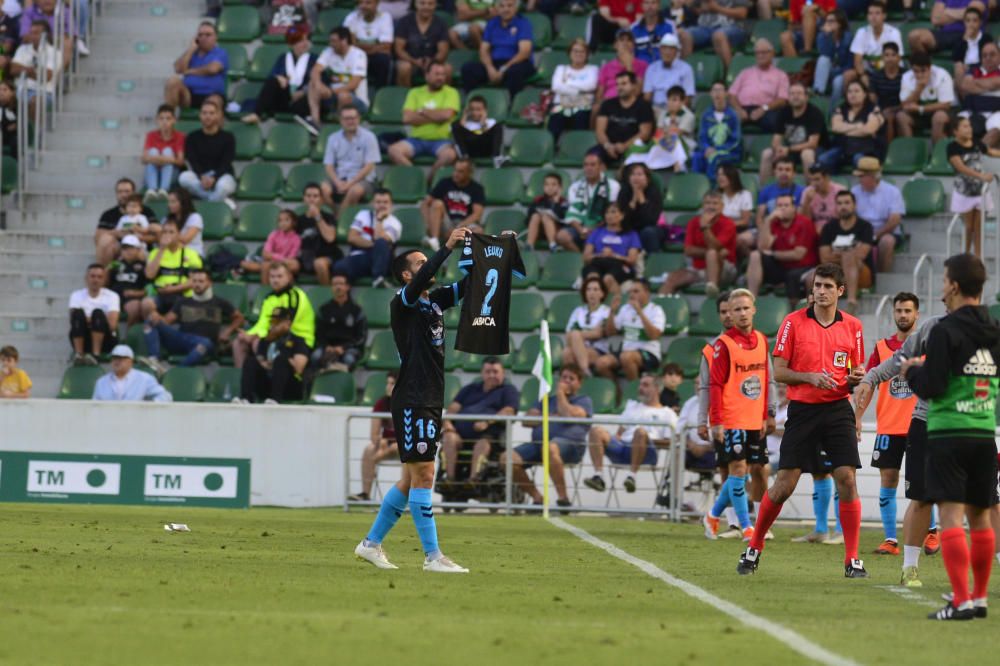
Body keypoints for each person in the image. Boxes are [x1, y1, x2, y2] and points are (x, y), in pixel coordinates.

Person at [737, 262, 868, 579]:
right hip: (803, 409)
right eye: (816, 286)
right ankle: (754, 547)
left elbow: (855, 371)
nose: (820, 291)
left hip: (838, 408)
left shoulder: (853, 326)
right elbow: (778, 371)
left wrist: (855, 379)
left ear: (840, 291)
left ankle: (852, 559)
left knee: (847, 479)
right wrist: (809, 377)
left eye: (826, 286)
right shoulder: (792, 323)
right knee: (784, 485)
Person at [353, 227, 472, 573]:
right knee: (425, 474)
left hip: (430, 397)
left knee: (410, 480)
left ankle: (371, 544)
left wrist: (497, 256)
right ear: (408, 274)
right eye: (420, 263)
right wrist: (447, 246)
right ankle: (433, 557)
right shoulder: (402, 302)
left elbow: (468, 287)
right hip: (414, 397)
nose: (427, 266)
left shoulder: (433, 302)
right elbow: (421, 281)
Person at [904, 253, 999, 620]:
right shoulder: (995, 329)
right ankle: (979, 598)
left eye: (944, 280)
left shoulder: (944, 331)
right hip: (982, 431)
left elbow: (933, 386)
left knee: (951, 517)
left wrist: (913, 371)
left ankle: (960, 600)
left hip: (948, 433)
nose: (942, 287)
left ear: (955, 286)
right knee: (980, 517)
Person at [857, 310, 946, 587]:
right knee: (921, 498)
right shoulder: (932, 327)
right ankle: (909, 567)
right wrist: (870, 377)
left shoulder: (988, 331)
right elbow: (899, 361)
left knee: (985, 503)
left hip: (971, 425)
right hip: (925, 422)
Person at [703, 290, 775, 540]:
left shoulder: (763, 340)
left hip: (755, 418)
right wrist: (717, 421)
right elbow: (715, 384)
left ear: (754, 309)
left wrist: (765, 414)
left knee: (751, 470)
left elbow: (765, 379)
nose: (742, 313)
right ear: (730, 314)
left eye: (746, 308)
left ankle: (712, 514)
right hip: (733, 417)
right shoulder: (724, 345)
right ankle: (747, 527)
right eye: (737, 310)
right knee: (737, 470)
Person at [852, 292, 920, 556]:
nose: (903, 315)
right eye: (899, 311)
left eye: (908, 311)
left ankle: (931, 533)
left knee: (923, 482)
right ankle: (890, 539)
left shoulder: (925, 346)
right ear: (893, 313)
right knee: (888, 479)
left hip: (918, 425)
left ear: (917, 314)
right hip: (889, 427)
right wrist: (857, 417)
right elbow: (868, 384)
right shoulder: (881, 348)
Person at [503, 364, 594, 509]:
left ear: (579, 383)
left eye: (571, 378)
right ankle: (538, 498)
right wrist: (550, 415)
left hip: (571, 447)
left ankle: (563, 499)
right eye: (564, 377)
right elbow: (527, 420)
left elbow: (567, 415)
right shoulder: (545, 400)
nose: (566, 381)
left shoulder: (584, 400)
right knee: (507, 458)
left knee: (550, 448)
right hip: (539, 444)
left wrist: (560, 394)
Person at [236, 262, 315, 405]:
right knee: (250, 361)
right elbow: (263, 323)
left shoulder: (296, 295)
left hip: (297, 342)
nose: (275, 280)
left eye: (279, 276)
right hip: (275, 345)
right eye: (272, 276)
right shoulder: (269, 298)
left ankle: (275, 400)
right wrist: (250, 334)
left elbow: (286, 326)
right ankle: (245, 399)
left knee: (281, 360)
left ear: (289, 277)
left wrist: (265, 336)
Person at [586, 372, 677, 493]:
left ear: (657, 389)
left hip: (648, 452)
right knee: (596, 431)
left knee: (639, 432)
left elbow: (670, 442)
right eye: (640, 385)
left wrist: (644, 439)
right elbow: (620, 433)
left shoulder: (667, 413)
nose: (640, 388)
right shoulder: (632, 407)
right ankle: (598, 476)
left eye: (645, 385)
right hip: (623, 448)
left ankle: (631, 477)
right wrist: (615, 438)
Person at [440, 357, 519, 486]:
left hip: (488, 436)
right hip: (461, 435)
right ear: (482, 373)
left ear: (503, 373)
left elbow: (509, 410)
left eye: (495, 371)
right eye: (488, 371)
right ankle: (449, 479)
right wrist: (447, 423)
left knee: (482, 444)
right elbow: (453, 408)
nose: (491, 375)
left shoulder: (508, 390)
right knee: (449, 437)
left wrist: (487, 422)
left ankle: (473, 480)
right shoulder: (469, 389)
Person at [142, 269, 244, 369]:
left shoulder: (220, 302)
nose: (197, 284)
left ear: (209, 283)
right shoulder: (183, 301)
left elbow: (239, 318)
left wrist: (227, 331)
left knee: (205, 343)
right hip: (182, 339)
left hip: (205, 343)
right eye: (194, 281)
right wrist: (154, 314)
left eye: (201, 281)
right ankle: (154, 359)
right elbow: (166, 322)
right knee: (150, 321)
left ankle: (176, 371)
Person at [386, 61, 460, 183]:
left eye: (443, 75)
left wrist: (422, 111)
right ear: (427, 75)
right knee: (393, 150)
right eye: (437, 74)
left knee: (450, 155)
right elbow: (407, 118)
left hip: (442, 140)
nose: (441, 78)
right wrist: (436, 117)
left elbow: (446, 115)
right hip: (416, 139)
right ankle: (417, 177)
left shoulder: (451, 92)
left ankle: (429, 180)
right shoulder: (414, 92)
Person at [660, 191, 737, 297]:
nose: (711, 206)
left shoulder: (728, 224)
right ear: (702, 206)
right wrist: (713, 253)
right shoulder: (693, 222)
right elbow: (688, 250)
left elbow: (715, 247)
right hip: (699, 269)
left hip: (724, 269)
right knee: (672, 278)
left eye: (715, 203)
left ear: (722, 207)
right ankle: (658, 307)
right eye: (708, 203)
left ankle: (712, 290)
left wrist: (705, 228)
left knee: (712, 254)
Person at [746, 194, 818, 307]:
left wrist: (773, 254)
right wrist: (768, 221)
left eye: (786, 205)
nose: (782, 208)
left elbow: (798, 254)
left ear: (794, 208)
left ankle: (796, 312)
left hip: (803, 267)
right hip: (780, 267)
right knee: (755, 255)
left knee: (792, 275)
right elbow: (763, 247)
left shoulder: (804, 223)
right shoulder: (774, 222)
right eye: (779, 205)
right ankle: (750, 300)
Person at [241, 23, 316, 124]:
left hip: (302, 100)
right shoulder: (283, 58)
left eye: (306, 40)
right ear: (291, 44)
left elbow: (318, 81)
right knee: (272, 82)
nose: (304, 43)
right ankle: (257, 114)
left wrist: (303, 91)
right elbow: (274, 75)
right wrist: (279, 78)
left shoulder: (314, 59)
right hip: (285, 98)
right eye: (300, 41)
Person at [948, 115, 1000, 257]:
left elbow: (990, 152)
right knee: (969, 227)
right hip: (965, 192)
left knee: (978, 228)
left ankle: (977, 258)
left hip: (980, 191)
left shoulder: (977, 143)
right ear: (955, 131)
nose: (969, 129)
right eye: (964, 127)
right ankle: (965, 255)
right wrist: (981, 176)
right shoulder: (952, 147)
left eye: (969, 126)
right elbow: (961, 167)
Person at [459, 0, 536, 96]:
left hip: (518, 63)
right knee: (468, 69)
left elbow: (524, 52)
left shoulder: (523, 23)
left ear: (516, 8)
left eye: (509, 6)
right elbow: (483, 50)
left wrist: (504, 69)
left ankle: (511, 106)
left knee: (514, 73)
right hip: (495, 63)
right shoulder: (492, 23)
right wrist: (490, 68)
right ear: (497, 8)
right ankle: (473, 101)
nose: (505, 9)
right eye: (502, 6)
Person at [817, 191, 874, 315]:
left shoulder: (865, 226)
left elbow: (862, 254)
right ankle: (814, 309)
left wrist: (839, 253)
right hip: (836, 273)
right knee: (813, 275)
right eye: (839, 203)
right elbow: (824, 257)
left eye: (847, 203)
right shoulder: (829, 227)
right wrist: (848, 253)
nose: (843, 206)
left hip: (862, 273)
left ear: (854, 205)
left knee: (849, 257)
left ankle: (852, 301)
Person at [303, 27, 369, 134]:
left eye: (334, 41)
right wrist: (319, 86)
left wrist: (331, 92)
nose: (331, 44)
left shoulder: (359, 55)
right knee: (313, 84)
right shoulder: (328, 52)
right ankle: (315, 122)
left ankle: (340, 129)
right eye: (330, 41)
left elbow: (354, 84)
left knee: (343, 95)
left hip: (356, 101)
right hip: (333, 96)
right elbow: (315, 70)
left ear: (344, 41)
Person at [597, 278, 665, 380]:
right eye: (630, 292)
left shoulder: (656, 310)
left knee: (626, 357)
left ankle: (633, 391)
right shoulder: (626, 309)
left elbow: (654, 335)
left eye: (636, 291)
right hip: (626, 351)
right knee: (601, 363)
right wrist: (612, 312)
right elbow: (610, 332)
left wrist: (640, 312)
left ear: (647, 293)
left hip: (649, 353)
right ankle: (618, 393)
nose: (631, 295)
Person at [759, 83, 825, 184]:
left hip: (816, 150)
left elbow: (813, 144)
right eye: (792, 94)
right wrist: (778, 149)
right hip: (790, 149)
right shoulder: (784, 112)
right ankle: (765, 192)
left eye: (799, 93)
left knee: (806, 154)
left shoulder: (815, 113)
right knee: (767, 153)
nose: (795, 96)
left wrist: (788, 149)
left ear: (806, 97)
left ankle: (811, 191)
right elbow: (776, 139)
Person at [348, 371, 398, 502]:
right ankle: (365, 493)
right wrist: (380, 440)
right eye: (387, 383)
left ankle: (376, 457)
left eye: (392, 384)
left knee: (396, 446)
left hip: (404, 445)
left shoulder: (409, 403)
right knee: (368, 449)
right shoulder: (381, 403)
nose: (388, 387)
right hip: (386, 444)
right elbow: (374, 434)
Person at [334, 189, 401, 286]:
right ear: (373, 203)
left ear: (391, 204)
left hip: (383, 261)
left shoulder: (395, 223)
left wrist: (379, 219)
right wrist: (374, 245)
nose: (382, 205)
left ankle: (378, 279)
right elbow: (352, 237)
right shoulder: (363, 215)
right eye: (378, 202)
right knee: (339, 267)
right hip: (362, 258)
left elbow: (380, 240)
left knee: (381, 243)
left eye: (385, 202)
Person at [320, 104, 380, 211]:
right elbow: (328, 165)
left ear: (359, 119)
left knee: (354, 191)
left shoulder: (369, 137)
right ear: (340, 120)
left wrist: (350, 183)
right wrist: (337, 182)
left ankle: (338, 219)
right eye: (347, 118)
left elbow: (369, 166)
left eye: (353, 118)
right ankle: (335, 213)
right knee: (323, 189)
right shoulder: (333, 138)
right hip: (340, 177)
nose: (350, 121)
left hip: (364, 180)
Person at [851, 156, 905, 273]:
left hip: (885, 232)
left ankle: (882, 278)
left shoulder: (892, 191)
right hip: (861, 231)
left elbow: (894, 220)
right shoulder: (854, 191)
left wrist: (875, 235)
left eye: (862, 176)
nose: (859, 180)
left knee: (887, 241)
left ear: (873, 176)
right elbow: (851, 216)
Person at [817, 80, 885, 173]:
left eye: (857, 91)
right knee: (823, 160)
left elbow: (868, 130)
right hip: (842, 147)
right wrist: (858, 126)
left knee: (861, 162)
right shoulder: (840, 108)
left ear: (864, 94)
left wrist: (845, 129)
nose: (853, 94)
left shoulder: (874, 109)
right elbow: (836, 127)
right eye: (850, 91)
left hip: (866, 149)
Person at [177, 99, 236, 206]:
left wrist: (214, 178)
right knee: (184, 178)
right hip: (200, 178)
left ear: (218, 115)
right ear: (200, 115)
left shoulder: (228, 137)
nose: (207, 116)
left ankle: (209, 201)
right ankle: (218, 199)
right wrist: (201, 177)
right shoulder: (192, 137)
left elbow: (227, 162)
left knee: (223, 186)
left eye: (211, 113)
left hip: (222, 176)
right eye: (204, 113)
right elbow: (192, 161)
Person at [420, 157, 485, 251]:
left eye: (460, 171)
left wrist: (458, 228)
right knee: (437, 204)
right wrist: (428, 225)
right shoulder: (444, 183)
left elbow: (477, 215)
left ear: (469, 173)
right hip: (446, 223)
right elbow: (425, 204)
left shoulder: (477, 189)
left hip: (464, 224)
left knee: (479, 231)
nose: (455, 174)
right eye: (455, 170)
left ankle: (473, 258)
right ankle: (434, 240)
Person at [560, 153, 621, 251]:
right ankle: (582, 258)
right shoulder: (575, 187)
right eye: (586, 165)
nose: (589, 168)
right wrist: (581, 230)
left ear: (601, 167)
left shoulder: (613, 186)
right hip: (580, 227)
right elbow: (572, 212)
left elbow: (613, 212)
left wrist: (594, 230)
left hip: (604, 226)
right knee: (562, 236)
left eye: (593, 165)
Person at [594, 70, 655, 167]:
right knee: (593, 158)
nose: (620, 87)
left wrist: (625, 146)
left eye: (624, 84)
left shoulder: (644, 106)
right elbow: (600, 131)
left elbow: (645, 134)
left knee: (632, 167)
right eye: (618, 84)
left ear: (634, 85)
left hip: (634, 148)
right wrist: (608, 146)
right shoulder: (607, 104)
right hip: (609, 147)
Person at [728, 39, 789, 135]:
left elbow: (782, 100)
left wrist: (763, 108)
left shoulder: (781, 75)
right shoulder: (745, 72)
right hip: (742, 108)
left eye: (764, 52)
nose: (760, 56)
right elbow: (732, 94)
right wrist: (738, 109)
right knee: (726, 123)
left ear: (772, 54)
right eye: (758, 53)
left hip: (766, 110)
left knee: (777, 123)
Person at [144, 219, 204, 316]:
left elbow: (195, 281)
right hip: (159, 295)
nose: (167, 235)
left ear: (179, 234)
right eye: (165, 232)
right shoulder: (155, 253)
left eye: (171, 232)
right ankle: (154, 328)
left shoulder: (191, 254)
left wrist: (172, 289)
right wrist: (162, 249)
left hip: (183, 295)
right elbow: (149, 275)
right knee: (146, 304)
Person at [163, 21, 228, 109]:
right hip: (190, 95)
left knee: (215, 100)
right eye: (200, 35)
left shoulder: (220, 53)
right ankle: (169, 118)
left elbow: (213, 69)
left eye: (208, 35)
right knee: (173, 82)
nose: (203, 38)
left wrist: (189, 71)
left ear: (215, 37)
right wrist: (190, 49)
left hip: (212, 95)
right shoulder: (192, 53)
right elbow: (178, 69)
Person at [895, 51, 956, 144]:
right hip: (918, 116)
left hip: (940, 113)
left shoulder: (942, 75)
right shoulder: (906, 77)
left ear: (930, 68)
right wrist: (919, 88)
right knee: (901, 116)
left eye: (923, 70)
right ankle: (911, 152)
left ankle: (936, 154)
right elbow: (905, 105)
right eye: (916, 71)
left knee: (939, 117)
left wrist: (921, 108)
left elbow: (945, 105)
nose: (919, 75)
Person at [581, 203, 642, 296]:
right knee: (592, 279)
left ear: (622, 215)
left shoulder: (631, 234)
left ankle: (615, 306)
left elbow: (632, 260)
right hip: (598, 262)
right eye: (607, 213)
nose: (609, 215)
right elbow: (586, 257)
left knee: (608, 279)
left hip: (620, 264)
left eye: (613, 212)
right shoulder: (597, 232)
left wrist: (614, 255)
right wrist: (600, 254)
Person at [312, 273, 368, 373]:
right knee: (315, 356)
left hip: (350, 348)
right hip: (328, 347)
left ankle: (342, 384)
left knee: (348, 359)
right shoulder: (324, 309)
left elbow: (361, 337)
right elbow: (318, 333)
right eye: (334, 284)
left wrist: (343, 348)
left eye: (341, 284)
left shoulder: (357, 310)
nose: (338, 287)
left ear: (347, 286)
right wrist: (326, 346)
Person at [632, 84, 694, 173]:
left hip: (685, 146)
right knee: (643, 144)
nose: (670, 103)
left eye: (675, 100)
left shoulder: (689, 116)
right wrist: (665, 132)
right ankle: (650, 165)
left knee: (674, 138)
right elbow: (659, 132)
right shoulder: (663, 114)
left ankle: (679, 165)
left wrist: (667, 131)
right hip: (665, 142)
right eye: (669, 99)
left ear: (682, 102)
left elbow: (677, 132)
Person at [95, 179, 158, 265]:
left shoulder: (146, 212)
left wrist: (137, 236)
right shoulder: (108, 214)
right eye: (120, 192)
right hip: (119, 247)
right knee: (105, 239)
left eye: (127, 191)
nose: (123, 195)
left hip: (141, 246)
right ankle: (103, 273)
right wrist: (118, 234)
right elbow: (98, 237)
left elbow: (157, 235)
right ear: (116, 194)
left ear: (134, 193)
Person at [846, 1, 904, 92]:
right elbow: (857, 60)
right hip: (868, 72)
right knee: (848, 75)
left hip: (889, 71)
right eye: (870, 13)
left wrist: (880, 79)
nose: (873, 17)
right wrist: (863, 76)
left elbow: (896, 58)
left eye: (877, 13)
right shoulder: (861, 32)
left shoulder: (894, 33)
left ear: (884, 16)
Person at [547, 39, 599, 141]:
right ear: (569, 53)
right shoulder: (561, 68)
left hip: (583, 105)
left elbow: (591, 86)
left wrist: (566, 84)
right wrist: (580, 91)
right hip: (561, 104)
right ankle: (552, 148)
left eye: (582, 51)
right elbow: (556, 86)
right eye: (575, 51)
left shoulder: (593, 69)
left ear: (587, 54)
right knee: (556, 117)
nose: (578, 54)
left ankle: (577, 148)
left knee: (581, 117)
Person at [69, 264, 120, 365]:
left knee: (98, 314)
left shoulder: (112, 296)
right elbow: (73, 320)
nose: (95, 280)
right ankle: (79, 355)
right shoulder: (76, 295)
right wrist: (94, 320)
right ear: (86, 278)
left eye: (99, 277)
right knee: (78, 314)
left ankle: (96, 355)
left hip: (106, 340)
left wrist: (90, 319)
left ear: (104, 280)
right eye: (92, 276)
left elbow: (112, 325)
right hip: (84, 337)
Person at [9, 19, 61, 118]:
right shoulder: (22, 49)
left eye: (36, 33)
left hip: (44, 92)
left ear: (46, 35)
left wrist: (23, 69)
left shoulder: (55, 53)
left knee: (35, 101)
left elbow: (46, 77)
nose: (32, 36)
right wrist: (33, 70)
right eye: (31, 33)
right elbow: (13, 69)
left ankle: (33, 132)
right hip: (21, 89)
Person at [392, 0, 451, 88]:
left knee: (447, 68)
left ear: (435, 5)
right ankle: (406, 97)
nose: (426, 7)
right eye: (422, 3)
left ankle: (442, 98)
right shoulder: (404, 21)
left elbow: (443, 51)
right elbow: (399, 49)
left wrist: (432, 62)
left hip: (433, 61)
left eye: (430, 4)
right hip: (410, 61)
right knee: (404, 67)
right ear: (415, 4)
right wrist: (414, 61)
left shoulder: (441, 23)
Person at [562, 276, 612, 377]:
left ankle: (583, 373)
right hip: (578, 348)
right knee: (566, 352)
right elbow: (568, 336)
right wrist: (584, 335)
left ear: (602, 293)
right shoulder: (578, 311)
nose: (591, 293)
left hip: (598, 350)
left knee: (575, 335)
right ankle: (581, 374)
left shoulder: (606, 311)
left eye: (595, 289)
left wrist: (578, 335)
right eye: (588, 289)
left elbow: (598, 333)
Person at [691, 82, 741, 180]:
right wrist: (707, 148)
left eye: (720, 90)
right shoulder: (706, 115)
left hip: (730, 152)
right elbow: (702, 137)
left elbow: (735, 140)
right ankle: (697, 187)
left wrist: (716, 149)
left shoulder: (733, 115)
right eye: (714, 90)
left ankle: (713, 188)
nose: (717, 93)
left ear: (726, 93)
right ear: (710, 93)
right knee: (697, 157)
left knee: (714, 158)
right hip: (709, 150)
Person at [239, 209, 302, 284]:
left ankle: (263, 269)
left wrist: (273, 257)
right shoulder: (274, 234)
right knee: (245, 263)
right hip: (271, 262)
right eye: (280, 220)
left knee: (294, 265)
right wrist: (278, 258)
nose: (283, 223)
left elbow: (291, 259)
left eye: (286, 220)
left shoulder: (296, 238)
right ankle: (265, 290)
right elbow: (265, 254)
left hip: (283, 264)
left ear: (293, 222)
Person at [92, 345, 172, 402]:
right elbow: (94, 405)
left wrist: (149, 407)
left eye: (121, 358)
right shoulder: (101, 382)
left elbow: (165, 396)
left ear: (130, 361)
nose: (117, 361)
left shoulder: (144, 378)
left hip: (136, 421)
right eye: (114, 358)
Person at [344, 0, 393, 89]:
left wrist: (358, 44)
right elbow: (348, 44)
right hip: (356, 56)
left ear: (377, 4)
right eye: (360, 3)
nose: (363, 6)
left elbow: (386, 46)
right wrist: (376, 46)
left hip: (375, 57)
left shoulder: (385, 17)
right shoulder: (351, 18)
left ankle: (380, 92)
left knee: (383, 59)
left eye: (368, 3)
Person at [908, 0, 987, 56]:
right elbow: (935, 19)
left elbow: (973, 13)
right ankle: (926, 68)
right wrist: (961, 14)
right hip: (946, 34)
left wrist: (946, 11)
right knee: (914, 36)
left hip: (968, 33)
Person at [686, 0, 749, 69]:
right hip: (704, 27)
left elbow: (742, 13)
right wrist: (701, 9)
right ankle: (684, 75)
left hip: (732, 26)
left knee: (718, 36)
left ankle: (729, 76)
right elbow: (694, 7)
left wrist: (717, 8)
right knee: (684, 34)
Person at [959, 41, 1000, 147]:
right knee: (954, 124)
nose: (988, 58)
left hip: (995, 112)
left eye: (992, 54)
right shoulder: (974, 70)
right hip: (971, 110)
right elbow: (965, 86)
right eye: (984, 55)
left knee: (995, 131)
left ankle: (976, 157)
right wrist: (990, 85)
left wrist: (976, 83)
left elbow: (996, 82)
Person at [617, 163, 664, 253]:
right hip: (630, 227)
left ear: (647, 178)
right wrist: (634, 200)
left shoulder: (653, 192)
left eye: (639, 174)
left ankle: (654, 260)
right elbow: (623, 219)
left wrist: (641, 198)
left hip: (651, 229)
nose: (636, 177)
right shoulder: (624, 191)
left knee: (648, 232)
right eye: (633, 174)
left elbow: (650, 220)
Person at [141, 105, 185, 200]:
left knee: (167, 150)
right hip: (153, 172)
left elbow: (180, 161)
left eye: (168, 118)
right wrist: (167, 159)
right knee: (153, 151)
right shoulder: (151, 135)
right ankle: (152, 190)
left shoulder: (179, 136)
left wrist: (159, 159)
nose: (165, 122)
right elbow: (144, 159)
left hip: (171, 174)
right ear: (157, 120)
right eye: (161, 118)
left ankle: (164, 190)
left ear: (174, 120)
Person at [756, 157, 806, 239]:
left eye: (787, 170)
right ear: (774, 171)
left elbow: (801, 218)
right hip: (770, 229)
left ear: (794, 173)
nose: (783, 173)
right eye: (780, 169)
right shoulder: (765, 191)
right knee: (743, 239)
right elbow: (759, 219)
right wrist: (764, 234)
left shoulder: (803, 192)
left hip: (793, 232)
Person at [642, 33, 694, 111]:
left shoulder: (686, 69)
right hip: (656, 109)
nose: (667, 52)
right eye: (664, 48)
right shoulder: (652, 68)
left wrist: (673, 113)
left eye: (671, 49)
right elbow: (647, 97)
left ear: (677, 51)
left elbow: (687, 98)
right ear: (660, 50)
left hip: (677, 109)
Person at [107, 235, 150, 327]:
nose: (127, 251)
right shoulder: (115, 265)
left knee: (134, 307)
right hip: (114, 297)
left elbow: (149, 289)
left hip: (131, 298)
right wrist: (107, 270)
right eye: (124, 248)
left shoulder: (143, 266)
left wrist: (135, 293)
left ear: (138, 250)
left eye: (131, 248)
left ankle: (127, 337)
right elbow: (105, 284)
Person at [594, 30, 648, 103]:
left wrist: (629, 65)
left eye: (629, 40)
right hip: (608, 103)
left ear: (633, 45)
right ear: (615, 45)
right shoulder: (606, 67)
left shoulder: (642, 65)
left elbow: (637, 92)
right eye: (621, 40)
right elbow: (599, 94)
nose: (625, 43)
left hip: (630, 104)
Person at [451, 94, 504, 163]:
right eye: (472, 109)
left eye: (478, 109)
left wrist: (483, 123)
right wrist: (464, 116)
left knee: (498, 127)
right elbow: (458, 133)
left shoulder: (491, 122)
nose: (475, 112)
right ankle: (464, 156)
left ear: (485, 110)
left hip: (485, 148)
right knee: (455, 125)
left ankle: (496, 157)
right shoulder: (464, 123)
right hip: (470, 149)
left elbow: (487, 136)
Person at [813, 9, 853, 98]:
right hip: (828, 70)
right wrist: (827, 36)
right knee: (823, 59)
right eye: (826, 21)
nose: (828, 24)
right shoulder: (822, 36)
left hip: (843, 71)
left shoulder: (848, 37)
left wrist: (839, 72)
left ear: (839, 23)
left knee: (837, 82)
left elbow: (850, 63)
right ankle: (818, 93)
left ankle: (834, 106)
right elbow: (826, 54)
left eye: (831, 21)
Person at [525, 172, 569, 252]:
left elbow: (563, 219)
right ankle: (529, 245)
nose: (550, 187)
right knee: (536, 216)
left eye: (553, 184)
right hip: (539, 231)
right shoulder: (538, 200)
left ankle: (553, 245)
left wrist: (555, 202)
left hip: (557, 231)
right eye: (547, 184)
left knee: (546, 217)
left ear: (560, 187)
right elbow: (529, 217)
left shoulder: (564, 202)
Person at [799, 163, 845, 233]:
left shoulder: (840, 191)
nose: (814, 183)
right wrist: (807, 201)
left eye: (817, 179)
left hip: (836, 230)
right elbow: (805, 220)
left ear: (827, 178)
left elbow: (845, 218)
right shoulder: (807, 192)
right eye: (811, 180)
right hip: (814, 232)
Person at [951, 7, 992, 82]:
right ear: (964, 22)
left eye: (975, 21)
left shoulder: (986, 38)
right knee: (958, 66)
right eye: (968, 21)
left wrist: (971, 67)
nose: (971, 24)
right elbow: (955, 58)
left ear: (980, 22)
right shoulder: (960, 39)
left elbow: (988, 59)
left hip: (981, 71)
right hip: (964, 72)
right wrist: (964, 40)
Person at [164, 187, 204, 257]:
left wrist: (163, 231)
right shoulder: (167, 219)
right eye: (169, 202)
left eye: (173, 202)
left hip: (192, 254)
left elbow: (186, 239)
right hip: (171, 253)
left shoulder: (195, 217)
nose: (169, 205)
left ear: (183, 203)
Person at [717, 164, 753, 239]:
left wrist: (727, 224)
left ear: (732, 177)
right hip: (720, 230)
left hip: (739, 230)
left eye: (723, 174)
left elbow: (745, 221)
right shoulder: (717, 195)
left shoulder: (745, 194)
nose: (719, 177)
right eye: (718, 175)